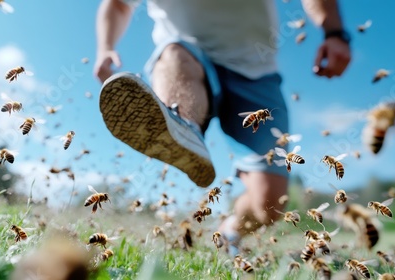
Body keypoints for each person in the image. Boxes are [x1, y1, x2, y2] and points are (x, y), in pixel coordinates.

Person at [93, 0, 351, 255]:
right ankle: (183, 129)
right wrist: (105, 48)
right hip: (188, 54)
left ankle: (232, 229)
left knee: (271, 204)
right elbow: (118, 4)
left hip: (256, 72)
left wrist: (335, 33)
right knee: (174, 54)